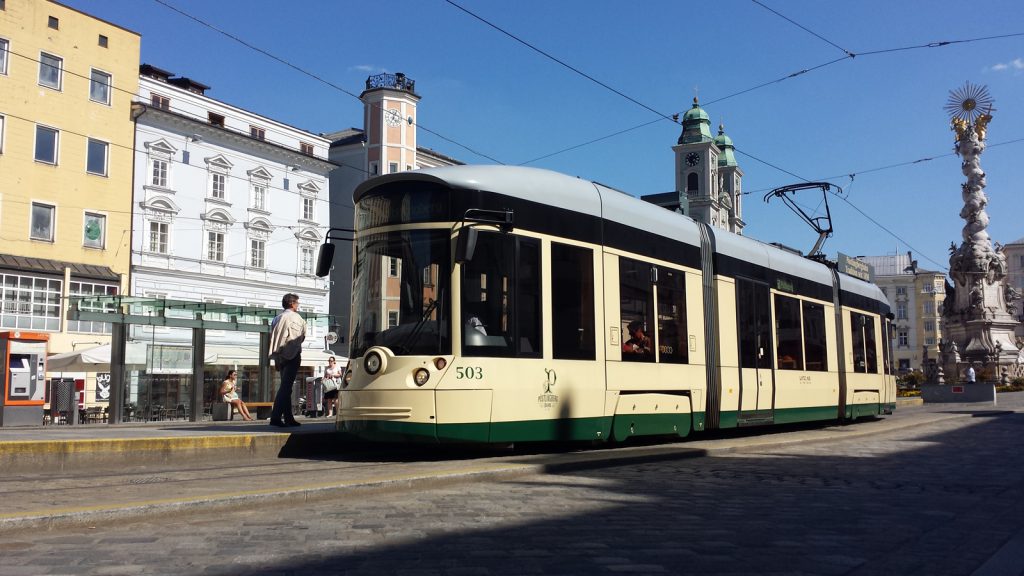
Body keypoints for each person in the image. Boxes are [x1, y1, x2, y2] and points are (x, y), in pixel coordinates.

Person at [268, 293, 306, 427]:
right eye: (297, 303)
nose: (298, 305)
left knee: (286, 387)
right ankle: (276, 417)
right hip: (292, 355)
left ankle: (288, 417)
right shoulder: (295, 318)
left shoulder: (276, 318)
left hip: (279, 356)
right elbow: (300, 337)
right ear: (292, 303)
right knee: (285, 387)